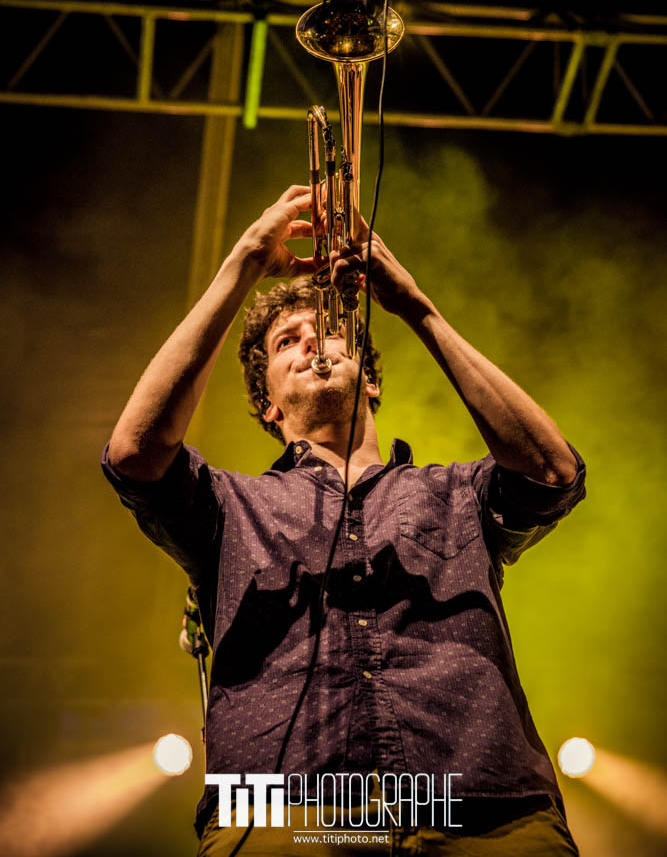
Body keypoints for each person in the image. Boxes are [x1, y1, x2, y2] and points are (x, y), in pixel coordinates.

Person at [102, 184, 585, 855]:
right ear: (266, 405)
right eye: (285, 343)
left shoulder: (457, 493)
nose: (310, 345)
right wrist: (242, 261)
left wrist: (415, 308)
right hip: (281, 811)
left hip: (481, 804)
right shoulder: (227, 505)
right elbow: (133, 452)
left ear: (373, 379)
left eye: (327, 331)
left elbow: (552, 472)